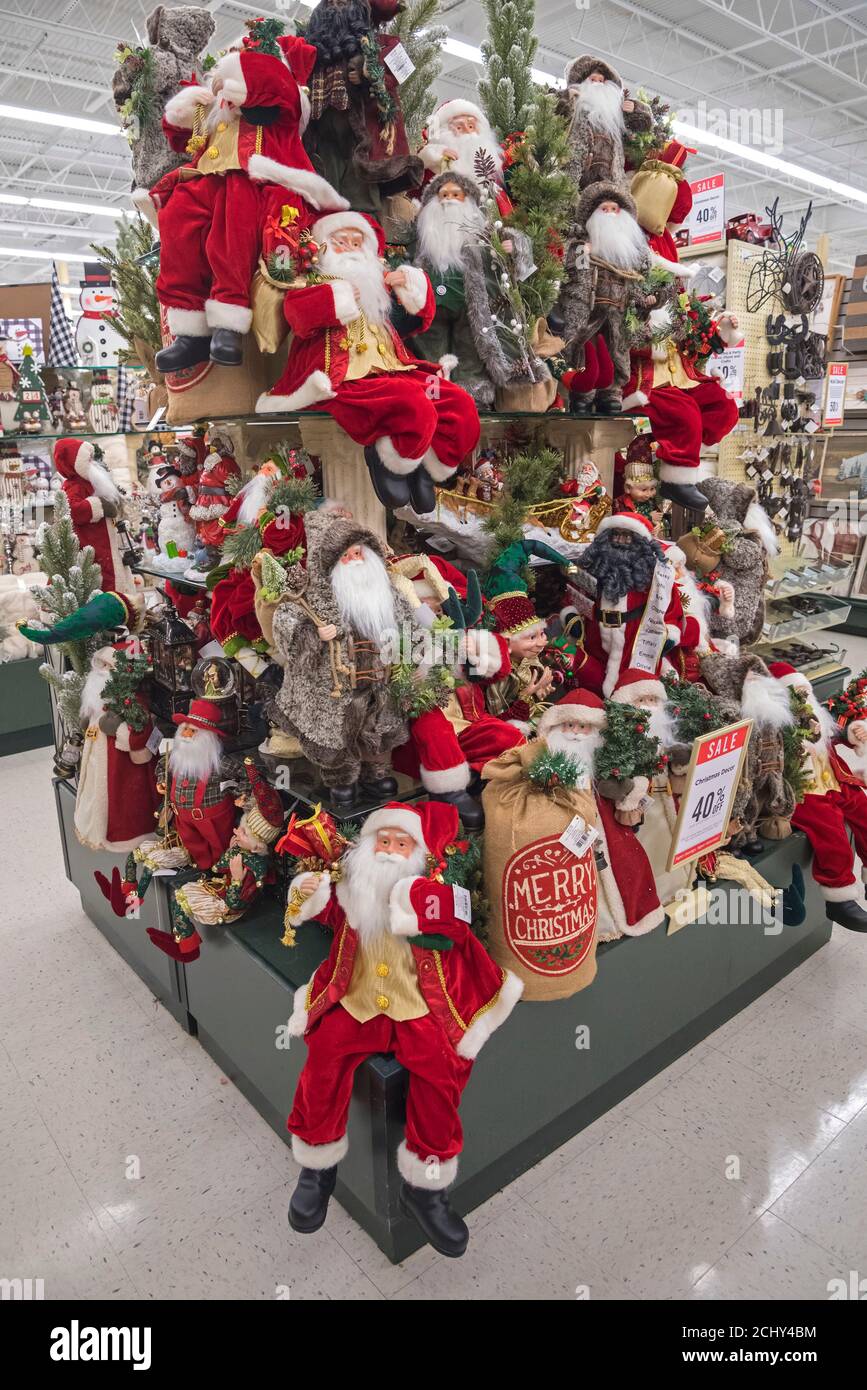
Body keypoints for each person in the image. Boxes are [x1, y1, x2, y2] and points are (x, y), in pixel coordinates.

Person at [284, 799, 523, 1257]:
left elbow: (456, 931)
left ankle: (426, 1189)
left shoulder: (433, 893)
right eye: (384, 841)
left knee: (440, 1076)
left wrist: (419, 915)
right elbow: (324, 916)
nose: (390, 850)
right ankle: (318, 1166)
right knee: (322, 1064)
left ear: (418, 851)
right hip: (354, 1002)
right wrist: (308, 893)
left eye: (401, 842)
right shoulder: (351, 888)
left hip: (416, 1007)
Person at [257, 210, 481, 512]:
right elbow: (297, 316)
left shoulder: (379, 289)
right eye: (341, 242)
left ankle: (428, 468)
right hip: (343, 377)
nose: (350, 249)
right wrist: (338, 297)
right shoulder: (313, 284)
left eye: (356, 242)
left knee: (459, 404)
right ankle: (391, 461)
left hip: (395, 370)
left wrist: (410, 287)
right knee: (412, 403)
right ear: (322, 247)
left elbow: (415, 322)